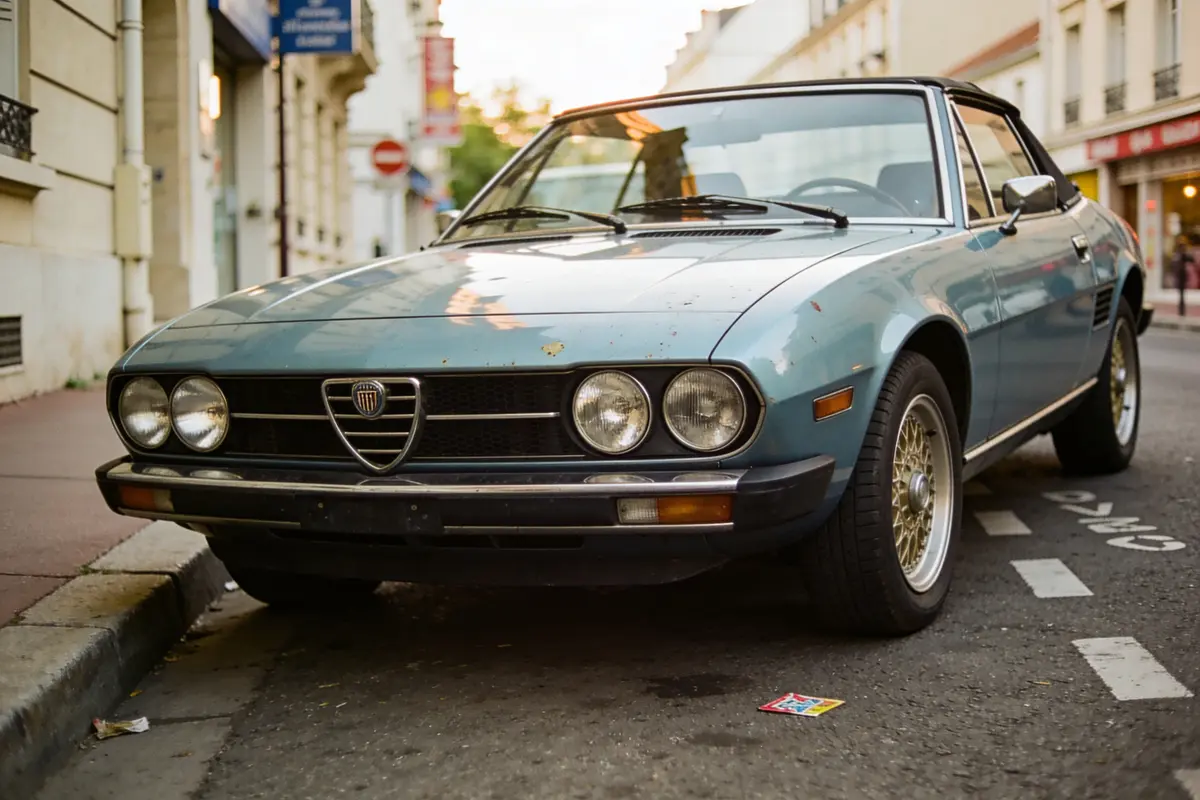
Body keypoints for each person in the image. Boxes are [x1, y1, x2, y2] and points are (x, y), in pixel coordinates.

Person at [1171, 235, 1195, 316]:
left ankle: (1182, 311)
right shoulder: (1177, 253)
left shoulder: (1184, 254)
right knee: (1181, 295)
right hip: (1179, 276)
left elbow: (1191, 259)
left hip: (1183, 276)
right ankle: (1181, 311)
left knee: (1182, 295)